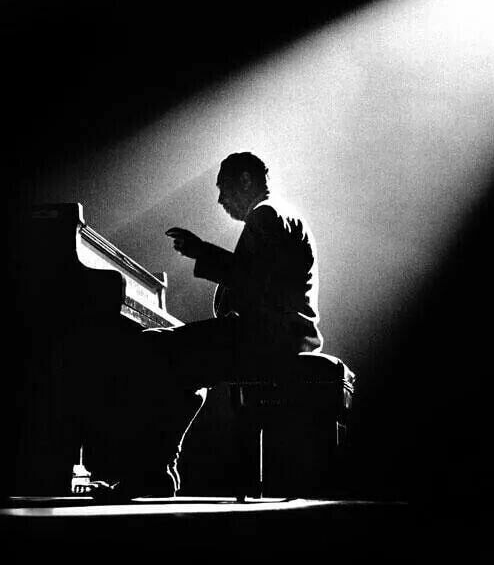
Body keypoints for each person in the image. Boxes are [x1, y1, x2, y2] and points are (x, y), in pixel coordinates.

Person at [84, 151, 322, 500]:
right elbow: (263, 281)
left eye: (223, 189)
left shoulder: (266, 214)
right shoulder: (283, 215)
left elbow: (251, 280)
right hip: (280, 335)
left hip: (266, 338)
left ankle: (150, 472)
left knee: (151, 347)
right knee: (185, 368)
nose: (221, 200)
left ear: (245, 180)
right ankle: (156, 471)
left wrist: (201, 251)